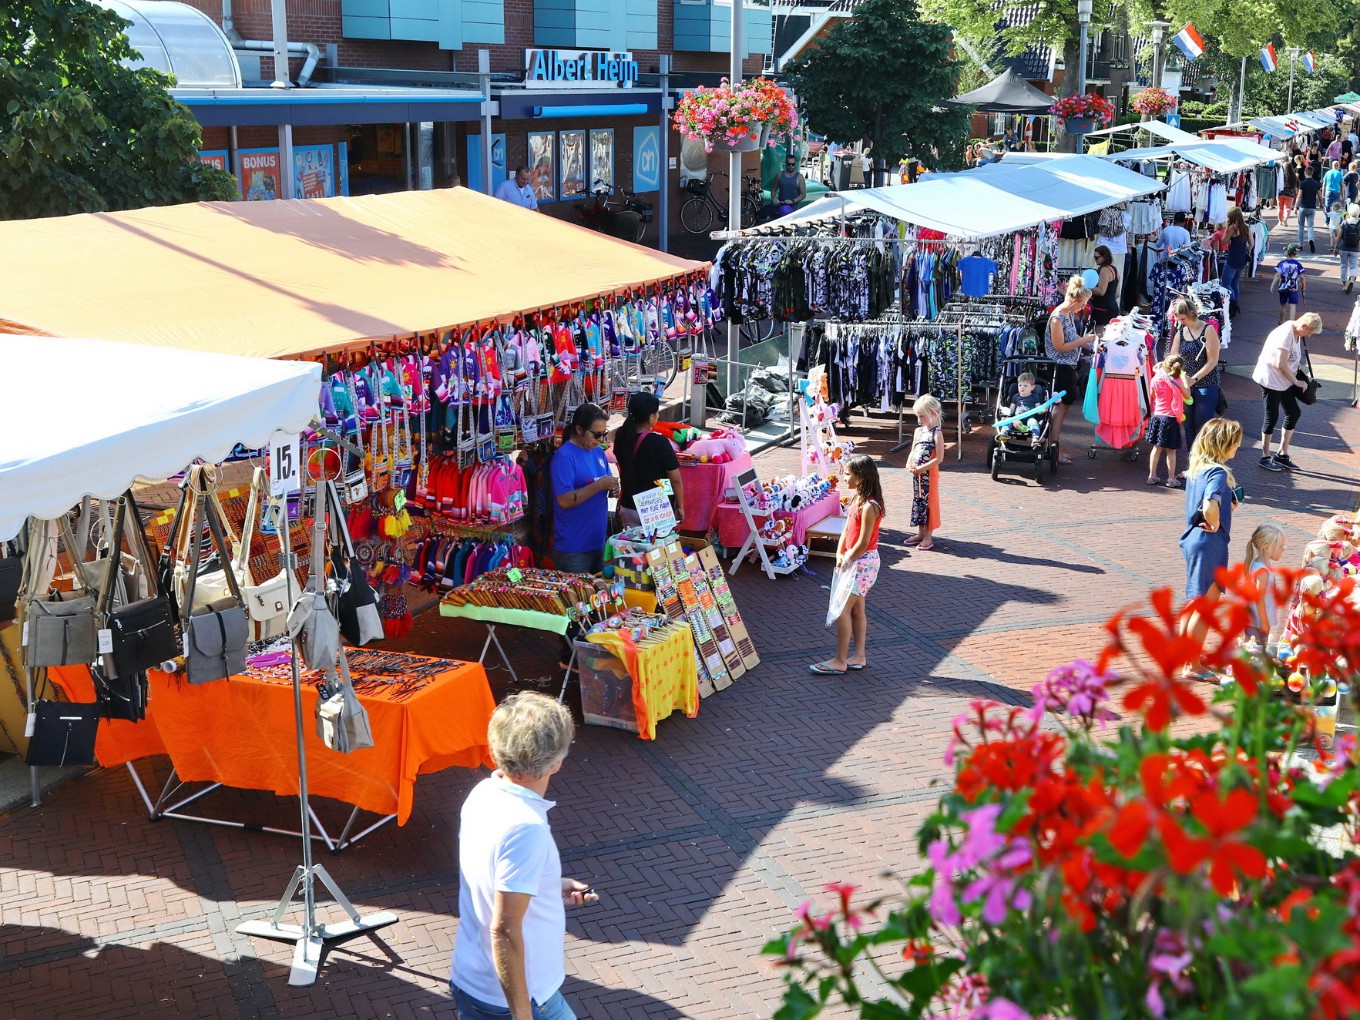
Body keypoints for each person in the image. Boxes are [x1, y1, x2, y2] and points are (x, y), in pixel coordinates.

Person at [450, 691, 596, 1020]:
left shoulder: (484, 793)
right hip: (521, 1001)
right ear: (555, 762)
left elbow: (493, 878)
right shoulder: (527, 828)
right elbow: (504, 930)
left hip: (474, 982)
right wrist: (523, 1016)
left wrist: (546, 886)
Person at [1178, 417, 1244, 680]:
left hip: (1193, 539)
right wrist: (1215, 523)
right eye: (1235, 444)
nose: (1237, 449)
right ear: (1223, 444)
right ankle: (1192, 666)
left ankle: (1188, 657)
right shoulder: (1217, 472)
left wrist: (1227, 508)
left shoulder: (1198, 468)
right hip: (1209, 542)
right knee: (1206, 605)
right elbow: (1208, 506)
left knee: (1194, 603)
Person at [809, 454, 884, 675]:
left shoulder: (870, 506)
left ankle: (840, 659)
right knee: (857, 610)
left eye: (849, 474)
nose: (845, 478)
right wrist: (840, 552)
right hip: (856, 560)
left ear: (860, 477)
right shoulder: (856, 500)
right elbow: (847, 530)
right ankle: (859, 655)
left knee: (842, 608)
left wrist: (848, 558)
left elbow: (863, 541)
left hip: (863, 562)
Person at [550, 402, 617, 574]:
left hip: (597, 542)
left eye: (604, 434)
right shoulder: (564, 457)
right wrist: (599, 485)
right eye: (596, 435)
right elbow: (564, 500)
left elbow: (605, 483)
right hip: (574, 548)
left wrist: (613, 488)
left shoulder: (597, 452)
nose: (601, 440)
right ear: (579, 429)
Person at [1252, 312, 1322, 472]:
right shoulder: (1286, 333)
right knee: (1272, 416)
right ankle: (1265, 457)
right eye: (1310, 332)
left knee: (1293, 412)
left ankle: (1282, 454)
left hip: (1285, 380)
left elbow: (1290, 361)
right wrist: (1296, 381)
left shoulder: (1296, 330)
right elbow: (1280, 364)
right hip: (1272, 379)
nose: (1310, 335)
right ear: (1304, 325)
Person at [1045, 276, 1097, 462]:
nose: (1083, 308)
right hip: (1060, 366)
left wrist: (1092, 345)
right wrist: (1083, 341)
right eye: (1082, 304)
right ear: (1075, 301)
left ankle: (1053, 447)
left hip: (1067, 365)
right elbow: (1059, 346)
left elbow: (1072, 339)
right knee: (1060, 407)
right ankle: (1053, 449)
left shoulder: (1066, 314)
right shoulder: (1058, 317)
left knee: (1063, 407)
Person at [613, 391, 683, 528]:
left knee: (633, 548)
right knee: (658, 549)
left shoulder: (621, 436)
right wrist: (680, 506)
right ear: (651, 416)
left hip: (628, 506)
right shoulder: (659, 442)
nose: (658, 415)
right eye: (656, 413)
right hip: (655, 509)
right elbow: (675, 479)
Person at [1168, 297, 1222, 455]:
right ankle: (1193, 462)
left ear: (1192, 314)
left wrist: (1194, 379)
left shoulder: (1208, 330)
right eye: (1178, 319)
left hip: (1206, 384)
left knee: (1202, 426)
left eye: (1183, 318)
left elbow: (1213, 361)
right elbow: (1173, 357)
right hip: (1186, 387)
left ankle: (1204, 459)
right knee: (1188, 426)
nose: (1181, 322)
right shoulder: (1181, 332)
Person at [1146, 354, 1191, 487]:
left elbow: (1152, 395)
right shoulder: (1177, 381)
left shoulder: (1156, 379)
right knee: (1171, 451)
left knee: (1157, 448)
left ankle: (1152, 476)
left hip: (1158, 417)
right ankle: (1171, 479)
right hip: (1171, 419)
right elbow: (1187, 395)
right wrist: (1184, 379)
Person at [906, 395, 944, 550]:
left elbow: (939, 458)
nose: (919, 419)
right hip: (918, 475)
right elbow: (913, 449)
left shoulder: (937, 433)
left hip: (929, 475)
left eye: (922, 416)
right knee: (919, 501)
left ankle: (928, 536)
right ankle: (921, 532)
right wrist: (909, 463)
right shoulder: (918, 431)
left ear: (932, 413)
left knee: (929, 503)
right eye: (918, 416)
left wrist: (922, 468)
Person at [1243, 523, 1286, 649]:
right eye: (1280, 546)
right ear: (1267, 548)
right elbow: (1258, 598)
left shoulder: (1260, 564)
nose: (1283, 549)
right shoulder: (1262, 572)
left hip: (1254, 619)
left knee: (1250, 647)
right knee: (1255, 650)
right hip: (1258, 621)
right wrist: (1264, 622)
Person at [1220, 207, 1251, 307]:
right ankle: (1235, 302)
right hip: (1242, 258)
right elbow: (1252, 243)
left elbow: (1224, 241)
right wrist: (1248, 250)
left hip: (1233, 258)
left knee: (1226, 283)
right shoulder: (1246, 228)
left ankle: (1233, 303)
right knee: (1235, 282)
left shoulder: (1232, 228)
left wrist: (1226, 230)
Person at [1271, 243, 1307, 325]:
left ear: (1287, 252)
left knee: (1283, 305)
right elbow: (1302, 277)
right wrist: (1303, 286)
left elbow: (1277, 274)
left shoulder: (1282, 263)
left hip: (1283, 287)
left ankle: (1281, 321)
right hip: (1293, 288)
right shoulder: (1297, 264)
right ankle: (1291, 323)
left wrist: (1273, 285)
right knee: (1293, 305)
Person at [1089, 244, 1121, 327]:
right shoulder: (1114, 269)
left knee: (1099, 336)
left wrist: (1085, 286)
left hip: (1102, 309)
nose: (1095, 260)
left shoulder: (1104, 270)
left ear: (1104, 257)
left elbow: (1101, 291)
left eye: (1097, 258)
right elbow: (1117, 293)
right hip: (1112, 306)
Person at [1298, 166, 1323, 251]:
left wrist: (1296, 206)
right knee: (1310, 226)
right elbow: (1320, 195)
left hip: (1303, 206)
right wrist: (1321, 203)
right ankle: (1311, 239)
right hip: (1312, 207)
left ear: (1305, 173)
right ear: (1312, 173)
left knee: (1301, 226)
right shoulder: (1316, 183)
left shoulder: (1302, 183)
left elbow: (1299, 196)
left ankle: (1300, 244)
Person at [1339, 203, 1360, 293]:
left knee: (1343, 266)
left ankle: (1344, 285)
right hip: (1355, 248)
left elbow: (1339, 236)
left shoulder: (1344, 222)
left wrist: (1336, 246)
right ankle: (1351, 280)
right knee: (1353, 266)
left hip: (1344, 247)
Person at [1278, 158, 1298, 225]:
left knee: (1280, 208)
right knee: (1288, 208)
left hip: (1280, 193)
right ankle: (1285, 219)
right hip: (1290, 193)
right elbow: (1296, 185)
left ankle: (1280, 221)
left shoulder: (1281, 175)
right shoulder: (1294, 176)